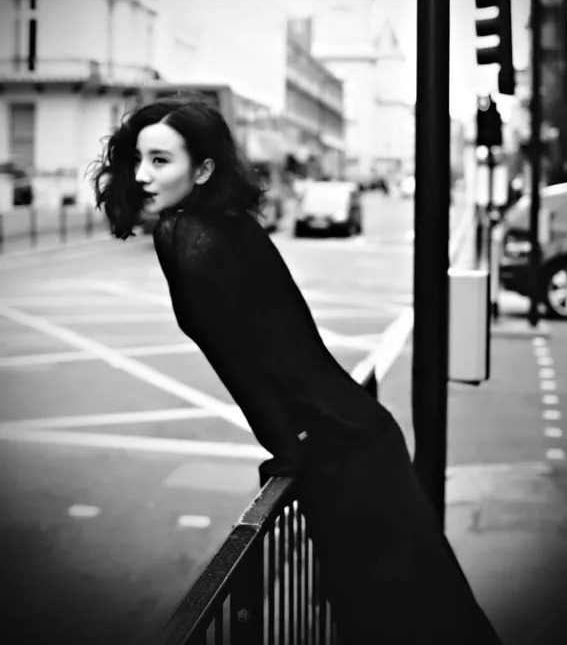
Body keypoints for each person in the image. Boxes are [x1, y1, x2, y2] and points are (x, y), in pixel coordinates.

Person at [91, 93, 502, 644]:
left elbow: (240, 358)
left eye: (160, 160)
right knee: (428, 608)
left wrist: (287, 449)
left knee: (388, 617)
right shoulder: (228, 223)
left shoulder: (183, 235)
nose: (142, 175)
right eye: (139, 159)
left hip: (336, 449)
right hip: (355, 433)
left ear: (203, 169)